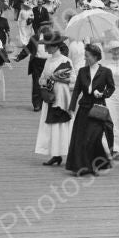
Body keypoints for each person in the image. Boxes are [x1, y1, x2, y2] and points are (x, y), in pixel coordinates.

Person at [66, 43, 116, 176]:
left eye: (87, 56)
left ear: (95, 57)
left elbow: (111, 88)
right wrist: (71, 107)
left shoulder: (106, 72)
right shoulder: (82, 71)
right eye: (85, 55)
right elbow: (76, 90)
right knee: (81, 138)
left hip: (98, 108)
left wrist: (103, 94)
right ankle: (82, 167)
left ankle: (96, 165)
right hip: (84, 108)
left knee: (94, 137)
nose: (85, 58)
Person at [35, 28, 74, 167]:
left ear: (56, 46)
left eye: (48, 46)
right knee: (51, 125)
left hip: (61, 97)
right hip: (51, 95)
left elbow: (72, 79)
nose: (45, 48)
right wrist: (44, 82)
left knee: (62, 124)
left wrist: (56, 78)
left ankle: (67, 151)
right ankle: (55, 154)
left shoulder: (66, 61)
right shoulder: (48, 61)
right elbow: (42, 77)